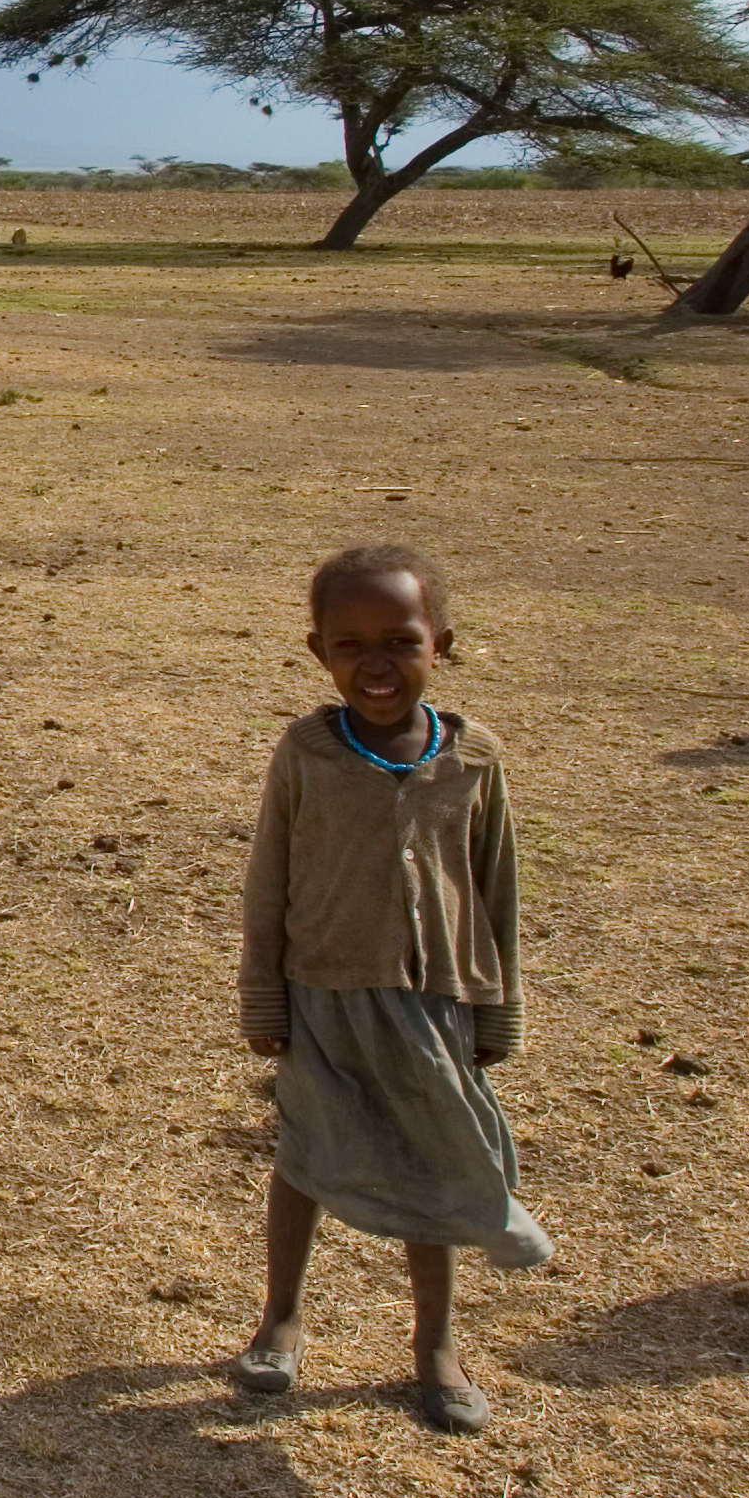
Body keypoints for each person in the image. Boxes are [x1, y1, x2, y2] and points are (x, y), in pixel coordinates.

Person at [234, 543, 549, 1435]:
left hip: (434, 1000)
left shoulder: (474, 758)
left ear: (439, 642)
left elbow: (496, 889)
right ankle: (281, 1318)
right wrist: (265, 998)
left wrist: (497, 1008)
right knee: (306, 1154)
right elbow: (269, 880)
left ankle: (435, 1344)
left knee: (432, 1160)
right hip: (323, 994)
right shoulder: (306, 753)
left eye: (401, 642)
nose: (376, 666)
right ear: (319, 652)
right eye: (350, 645)